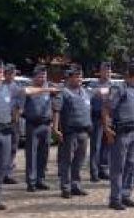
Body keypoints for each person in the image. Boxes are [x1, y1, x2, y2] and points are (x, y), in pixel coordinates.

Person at [0, 60, 54, 213]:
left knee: (1, 168)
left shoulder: (9, 90)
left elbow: (28, 91)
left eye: (0, 72)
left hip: (5, 133)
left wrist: (48, 90)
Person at [104, 59, 134, 210]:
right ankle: (115, 198)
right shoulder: (119, 88)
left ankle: (126, 194)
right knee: (118, 166)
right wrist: (107, 129)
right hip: (121, 133)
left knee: (131, 164)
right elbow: (107, 109)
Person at [52, 65, 91, 199]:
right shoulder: (63, 93)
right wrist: (55, 128)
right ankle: (66, 187)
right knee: (66, 161)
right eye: (76, 76)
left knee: (79, 161)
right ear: (69, 78)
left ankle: (76, 185)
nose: (79, 79)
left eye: (80, 76)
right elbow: (57, 110)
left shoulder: (85, 92)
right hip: (70, 133)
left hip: (83, 132)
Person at [22, 65, 54, 192]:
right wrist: (44, 90)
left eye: (44, 76)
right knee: (31, 154)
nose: (43, 78)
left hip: (46, 125)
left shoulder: (48, 88)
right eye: (40, 76)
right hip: (33, 125)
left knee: (44, 154)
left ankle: (41, 179)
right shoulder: (30, 88)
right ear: (34, 77)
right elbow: (26, 92)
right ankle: (31, 181)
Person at [88, 62, 112, 182]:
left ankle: (104, 169)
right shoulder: (93, 84)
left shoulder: (112, 85)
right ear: (100, 72)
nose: (107, 73)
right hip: (96, 118)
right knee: (95, 146)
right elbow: (92, 96)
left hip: (108, 118)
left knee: (107, 145)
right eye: (105, 71)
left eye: (109, 71)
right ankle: (94, 172)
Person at [2, 63, 23, 185]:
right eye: (8, 73)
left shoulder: (18, 88)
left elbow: (20, 106)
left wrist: (17, 114)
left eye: (12, 73)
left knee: (13, 148)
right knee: (2, 148)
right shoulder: (0, 86)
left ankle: (8, 173)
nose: (10, 75)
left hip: (13, 121)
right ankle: (0, 172)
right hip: (2, 121)